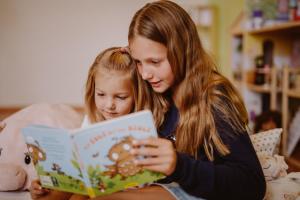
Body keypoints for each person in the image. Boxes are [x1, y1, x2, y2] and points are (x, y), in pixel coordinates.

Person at [93, 1, 266, 200]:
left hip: (195, 190)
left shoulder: (214, 99)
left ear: (183, 51)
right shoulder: (155, 86)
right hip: (159, 185)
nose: (145, 74)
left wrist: (179, 165)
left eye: (155, 62)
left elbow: (253, 184)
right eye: (139, 62)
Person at [29, 47, 167, 200]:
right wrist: (45, 183)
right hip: (91, 183)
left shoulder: (143, 125)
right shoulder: (92, 118)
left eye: (120, 97)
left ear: (137, 95)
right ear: (92, 90)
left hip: (129, 188)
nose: (109, 105)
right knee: (48, 195)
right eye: (101, 94)